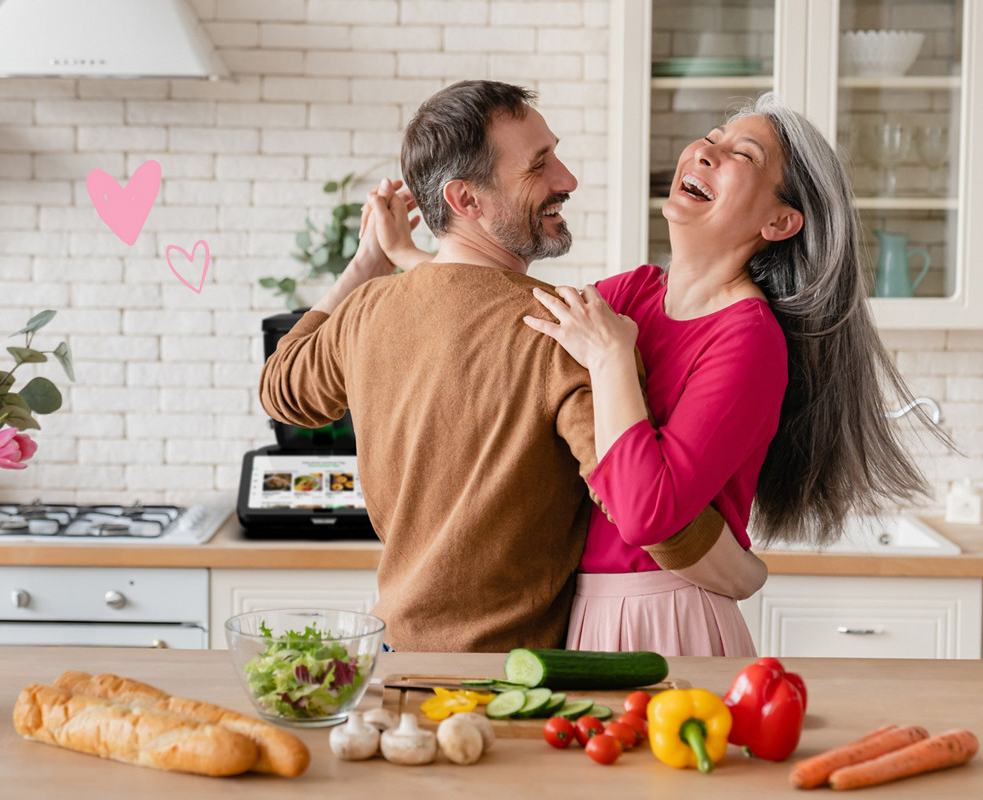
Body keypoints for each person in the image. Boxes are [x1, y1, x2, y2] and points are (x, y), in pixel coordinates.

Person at [369, 91, 943, 656]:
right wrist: (409, 257)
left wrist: (614, 359)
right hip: (585, 613)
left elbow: (649, 513)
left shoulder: (747, 338)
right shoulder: (636, 292)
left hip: (670, 615)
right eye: (713, 139)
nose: (705, 151)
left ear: (779, 221)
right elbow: (512, 321)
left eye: (743, 156)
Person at [259, 80, 764, 653]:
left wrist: (365, 265)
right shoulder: (559, 332)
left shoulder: (368, 311)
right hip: (511, 680)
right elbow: (645, 512)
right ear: (466, 200)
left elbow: (281, 388)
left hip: (394, 659)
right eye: (539, 166)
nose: (567, 180)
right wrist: (747, 574)